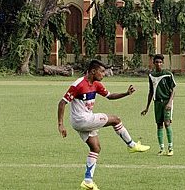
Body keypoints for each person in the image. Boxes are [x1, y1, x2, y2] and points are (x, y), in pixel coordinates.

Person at [57, 59, 151, 190]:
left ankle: (87, 181)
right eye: (102, 71)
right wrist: (60, 124)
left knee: (95, 148)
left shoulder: (96, 84)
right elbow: (62, 102)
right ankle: (132, 145)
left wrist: (126, 93)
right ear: (93, 71)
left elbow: (110, 96)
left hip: (82, 121)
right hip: (82, 120)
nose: (104, 74)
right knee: (116, 119)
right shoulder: (78, 84)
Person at [141, 54, 177, 156]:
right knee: (159, 124)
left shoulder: (168, 74)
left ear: (163, 63)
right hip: (157, 103)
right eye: (156, 62)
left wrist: (170, 102)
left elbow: (174, 89)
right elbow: (151, 91)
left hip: (166, 102)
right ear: (154, 63)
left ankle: (170, 148)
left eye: (160, 62)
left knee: (167, 123)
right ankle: (161, 148)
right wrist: (147, 107)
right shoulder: (151, 75)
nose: (158, 64)